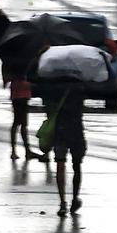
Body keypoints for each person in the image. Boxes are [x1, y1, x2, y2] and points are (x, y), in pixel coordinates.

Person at [39, 75, 86, 217]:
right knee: (77, 166)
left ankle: (62, 202)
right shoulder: (79, 86)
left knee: (60, 164)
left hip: (60, 130)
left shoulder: (53, 84)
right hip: (76, 131)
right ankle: (74, 198)